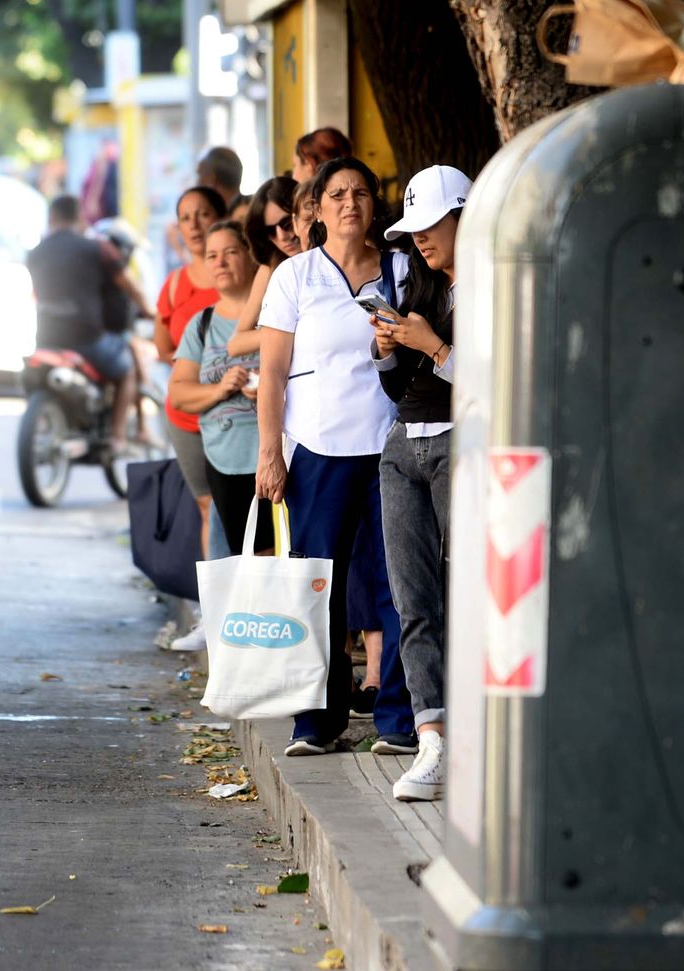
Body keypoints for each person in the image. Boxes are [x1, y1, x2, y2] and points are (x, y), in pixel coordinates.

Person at [254, 156, 416, 757]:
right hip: (317, 453)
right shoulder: (295, 276)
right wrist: (270, 451)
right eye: (338, 194)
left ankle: (399, 717)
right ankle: (317, 721)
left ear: (375, 205)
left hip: (392, 449)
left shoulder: (401, 269)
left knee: (399, 584)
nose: (350, 203)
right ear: (317, 209)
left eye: (361, 193)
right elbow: (272, 374)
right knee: (317, 587)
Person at [369, 165, 470, 801]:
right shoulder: (421, 285)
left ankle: (475, 737)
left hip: (464, 443)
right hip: (404, 444)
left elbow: (504, 381)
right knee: (412, 599)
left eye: (431, 225)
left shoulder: (497, 285)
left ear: (464, 216)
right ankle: (431, 739)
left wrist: (435, 346)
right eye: (414, 230)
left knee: (466, 594)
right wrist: (388, 349)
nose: (420, 239)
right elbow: (399, 387)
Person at [167, 221, 273, 555]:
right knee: (248, 559)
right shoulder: (202, 324)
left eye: (230, 252)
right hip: (225, 461)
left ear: (251, 257)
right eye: (212, 256)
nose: (220, 262)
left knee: (285, 556)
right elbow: (178, 394)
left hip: (279, 455)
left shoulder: (277, 312)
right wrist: (220, 390)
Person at [154, 186, 226, 653]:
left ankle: (239, 609)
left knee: (237, 511)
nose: (195, 225)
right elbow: (162, 346)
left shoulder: (237, 271)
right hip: (186, 416)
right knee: (207, 507)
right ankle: (212, 612)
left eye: (203, 214)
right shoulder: (177, 284)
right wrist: (197, 365)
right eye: (186, 217)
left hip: (236, 417)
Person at [26, 194, 151, 451]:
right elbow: (130, 286)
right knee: (126, 370)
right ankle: (118, 436)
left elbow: (36, 294)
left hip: (46, 338)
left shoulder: (35, 253)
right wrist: (151, 311)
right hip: (87, 339)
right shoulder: (97, 248)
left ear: (51, 218)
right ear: (80, 218)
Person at [225, 176, 301, 358]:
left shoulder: (331, 256)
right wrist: (282, 330)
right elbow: (235, 344)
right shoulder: (271, 267)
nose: (282, 236)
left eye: (287, 224)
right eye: (270, 231)